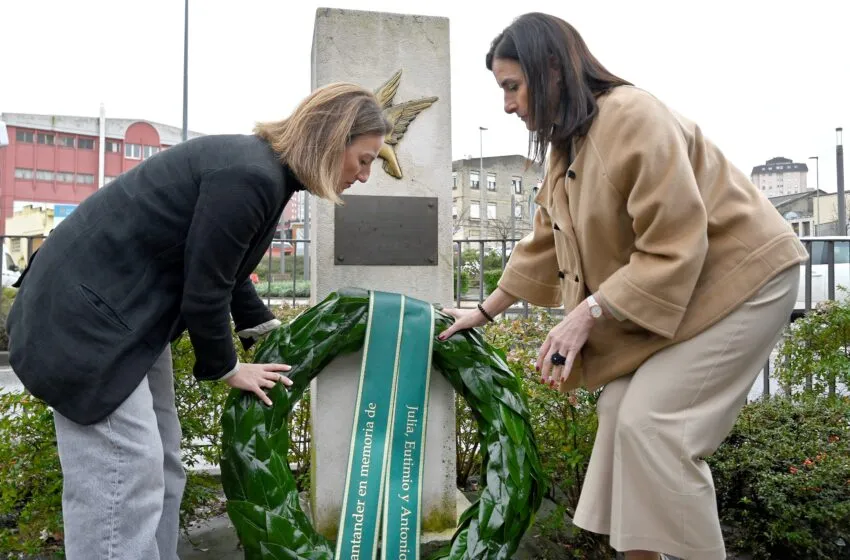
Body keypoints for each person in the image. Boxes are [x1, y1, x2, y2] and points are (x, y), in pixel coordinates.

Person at [438, 12, 807, 560]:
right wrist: (485, 311)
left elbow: (674, 244)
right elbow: (547, 240)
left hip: (747, 278)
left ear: (553, 71)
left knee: (657, 426)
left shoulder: (633, 116)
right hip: (695, 287)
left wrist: (587, 313)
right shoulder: (568, 146)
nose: (508, 104)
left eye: (512, 87)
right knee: (619, 413)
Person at [6, 82, 391, 560]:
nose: (366, 174)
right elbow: (205, 286)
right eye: (365, 158)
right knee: (124, 476)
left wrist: (264, 333)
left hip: (126, 318)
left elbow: (229, 270)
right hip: (84, 323)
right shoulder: (250, 175)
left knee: (163, 465)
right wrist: (228, 367)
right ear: (333, 138)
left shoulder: (266, 173)